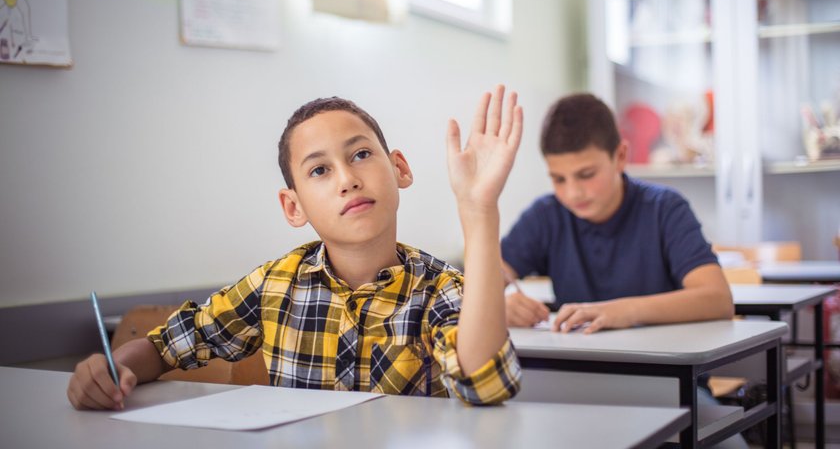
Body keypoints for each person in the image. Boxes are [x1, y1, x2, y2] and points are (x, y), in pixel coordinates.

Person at [67, 86, 523, 410]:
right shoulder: (274, 284)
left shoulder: (442, 289)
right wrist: (108, 367)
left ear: (399, 168)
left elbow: (484, 386)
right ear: (293, 206)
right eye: (319, 171)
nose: (347, 179)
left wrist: (478, 209)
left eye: (361, 154)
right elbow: (169, 346)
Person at [502, 93, 734, 333]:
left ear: (621, 156)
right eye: (559, 179)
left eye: (587, 175)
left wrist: (624, 311)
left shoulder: (664, 209)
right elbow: (488, 278)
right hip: (581, 364)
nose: (573, 193)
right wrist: (502, 301)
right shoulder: (545, 214)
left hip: (661, 365)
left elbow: (718, 300)